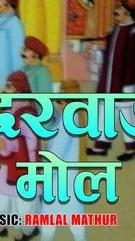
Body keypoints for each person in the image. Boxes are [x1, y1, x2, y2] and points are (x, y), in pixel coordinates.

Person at [0, 71, 39, 241]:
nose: (5, 89)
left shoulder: (27, 114)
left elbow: (31, 143)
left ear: (19, 90)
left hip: (21, 169)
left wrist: (8, 145)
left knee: (23, 204)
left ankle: (28, 230)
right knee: (1, 199)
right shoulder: (3, 110)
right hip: (0, 166)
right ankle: (1, 226)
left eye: (9, 86)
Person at [87, 0, 135, 161]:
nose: (115, 16)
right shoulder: (115, 29)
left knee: (127, 115)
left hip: (124, 84)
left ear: (127, 14)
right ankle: (100, 146)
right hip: (109, 82)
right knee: (105, 112)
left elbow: (134, 63)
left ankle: (132, 149)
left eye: (117, 13)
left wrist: (129, 86)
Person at [40, 80, 87, 241]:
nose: (58, 103)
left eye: (60, 101)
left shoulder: (68, 119)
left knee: (50, 222)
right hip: (69, 179)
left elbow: (57, 153)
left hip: (59, 180)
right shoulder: (75, 115)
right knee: (75, 222)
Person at [0, 0, 25, 88]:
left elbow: (18, 58)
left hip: (7, 79)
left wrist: (15, 82)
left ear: (9, 2)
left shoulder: (15, 24)